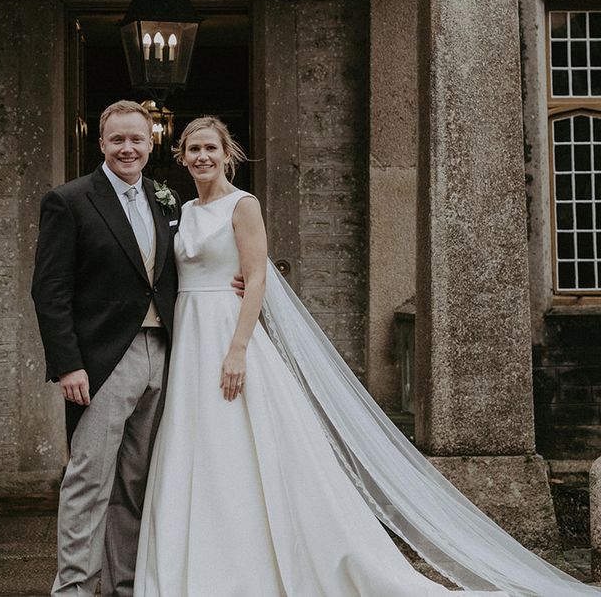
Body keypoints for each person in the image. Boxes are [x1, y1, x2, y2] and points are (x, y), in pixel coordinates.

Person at [133, 116, 600, 596]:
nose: (202, 157)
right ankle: (198, 562)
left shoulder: (243, 206)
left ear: (227, 153)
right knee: (195, 445)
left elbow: (256, 279)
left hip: (228, 336)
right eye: (193, 149)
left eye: (210, 147)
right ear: (182, 156)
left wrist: (237, 350)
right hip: (188, 338)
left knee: (241, 446)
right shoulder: (182, 210)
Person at [31, 100, 181, 597]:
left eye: (137, 139)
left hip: (162, 353)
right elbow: (49, 289)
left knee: (135, 481)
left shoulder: (165, 200)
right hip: (103, 360)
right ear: (101, 144)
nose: (128, 148)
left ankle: (125, 585)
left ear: (150, 141)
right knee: (89, 479)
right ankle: (73, 588)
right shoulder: (69, 200)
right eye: (117, 139)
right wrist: (69, 365)